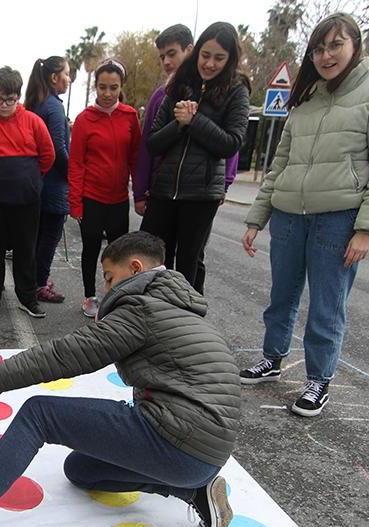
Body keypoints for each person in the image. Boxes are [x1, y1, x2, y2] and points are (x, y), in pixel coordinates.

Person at [0, 232, 241, 527]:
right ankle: (194, 491)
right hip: (202, 458)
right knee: (80, 470)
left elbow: (65, 354)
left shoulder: (144, 308)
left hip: (176, 438)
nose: (105, 289)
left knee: (40, 413)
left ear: (135, 268)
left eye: (109, 277)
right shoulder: (186, 311)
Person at [240, 13, 369, 417]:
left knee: (327, 305)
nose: (326, 54)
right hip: (289, 216)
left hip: (338, 217)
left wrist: (367, 228)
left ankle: (318, 379)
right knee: (281, 296)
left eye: (335, 45)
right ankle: (272, 358)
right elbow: (281, 163)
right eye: (318, 48)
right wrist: (256, 217)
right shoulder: (306, 99)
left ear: (355, 45)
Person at [140, 22, 251, 294]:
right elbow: (153, 143)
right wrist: (178, 125)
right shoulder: (181, 84)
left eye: (219, 58)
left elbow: (231, 143)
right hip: (165, 190)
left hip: (201, 195)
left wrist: (194, 121)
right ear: (197, 52)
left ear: (230, 59)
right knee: (151, 257)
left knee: (188, 262)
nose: (210, 64)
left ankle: (186, 324)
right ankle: (149, 315)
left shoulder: (237, 90)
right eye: (205, 55)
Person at [0, 66, 55, 319]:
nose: (4, 104)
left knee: (26, 249)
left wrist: (29, 180)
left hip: (26, 200)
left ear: (18, 97)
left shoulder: (33, 122)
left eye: (10, 99)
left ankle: (27, 298)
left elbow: (48, 156)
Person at [68, 58, 141, 318]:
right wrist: (75, 202)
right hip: (91, 199)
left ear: (121, 86)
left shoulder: (131, 116)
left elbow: (135, 158)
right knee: (91, 249)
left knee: (120, 252)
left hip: (119, 199)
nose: (108, 93)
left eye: (113, 87)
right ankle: (90, 296)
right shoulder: (84, 120)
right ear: (95, 88)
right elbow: (76, 163)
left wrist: (140, 194)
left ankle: (117, 296)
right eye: (102, 87)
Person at [133, 23, 195, 219]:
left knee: (190, 250)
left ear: (190, 50)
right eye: (162, 57)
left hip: (197, 193)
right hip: (160, 189)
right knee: (154, 246)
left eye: (172, 53)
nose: (166, 61)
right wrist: (140, 192)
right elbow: (146, 145)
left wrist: (225, 183)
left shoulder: (210, 91)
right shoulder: (160, 95)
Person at [24, 56, 72, 304]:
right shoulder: (54, 106)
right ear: (54, 78)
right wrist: (73, 175)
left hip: (36, 183)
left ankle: (33, 280)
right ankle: (39, 284)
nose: (69, 79)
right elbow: (58, 149)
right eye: (66, 73)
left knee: (38, 237)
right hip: (52, 185)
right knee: (49, 238)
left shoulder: (36, 103)